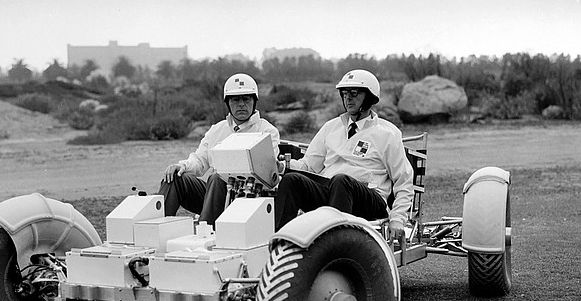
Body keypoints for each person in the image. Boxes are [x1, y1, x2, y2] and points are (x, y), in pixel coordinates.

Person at [274, 69, 414, 241]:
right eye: (345, 93)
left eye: (354, 93)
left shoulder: (388, 134)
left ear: (369, 97)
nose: (348, 98)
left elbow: (404, 181)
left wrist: (398, 219)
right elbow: (309, 166)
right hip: (331, 191)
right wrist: (283, 166)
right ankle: (280, 244)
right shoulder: (331, 127)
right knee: (292, 180)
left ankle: (336, 246)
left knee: (342, 180)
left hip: (369, 197)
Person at [158, 73, 280, 224]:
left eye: (246, 99)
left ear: (254, 101)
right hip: (216, 197)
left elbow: (268, 174)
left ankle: (207, 232)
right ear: (227, 102)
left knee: (217, 177)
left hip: (250, 200)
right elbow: (200, 161)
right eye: (235, 99)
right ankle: (153, 231)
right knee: (175, 177)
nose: (241, 104)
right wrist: (182, 166)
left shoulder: (268, 131)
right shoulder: (217, 130)